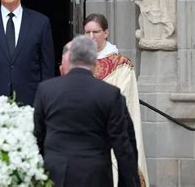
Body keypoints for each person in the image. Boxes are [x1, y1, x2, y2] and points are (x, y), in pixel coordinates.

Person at [33, 35, 140, 187]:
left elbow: (38, 136)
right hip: (96, 176)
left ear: (70, 59)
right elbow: (123, 145)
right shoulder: (110, 94)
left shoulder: (46, 90)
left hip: (56, 174)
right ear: (95, 61)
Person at [84, 13, 149, 186]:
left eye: (95, 32)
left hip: (110, 130)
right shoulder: (78, 61)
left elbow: (123, 101)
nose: (91, 37)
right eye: (87, 32)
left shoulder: (121, 64)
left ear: (106, 33)